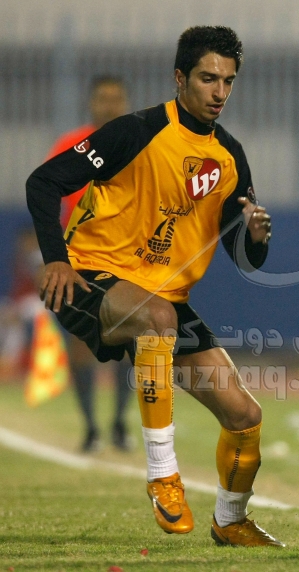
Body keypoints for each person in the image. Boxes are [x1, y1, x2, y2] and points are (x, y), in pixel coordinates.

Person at [26, 25, 282, 547]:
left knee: (245, 416)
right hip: (90, 277)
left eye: (228, 81)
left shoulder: (229, 156)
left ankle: (231, 520)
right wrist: (55, 261)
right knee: (157, 319)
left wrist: (255, 238)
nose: (219, 91)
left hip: (162, 297)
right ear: (179, 78)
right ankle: (163, 475)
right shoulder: (134, 131)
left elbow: (243, 257)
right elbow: (43, 182)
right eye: (208, 78)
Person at [46, 76, 132, 452]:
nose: (110, 105)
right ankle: (91, 428)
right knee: (81, 341)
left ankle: (120, 424)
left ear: (125, 104)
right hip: (78, 259)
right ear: (91, 103)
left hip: (127, 259)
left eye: (116, 99)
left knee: (129, 339)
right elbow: (49, 199)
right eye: (103, 98)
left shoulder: (140, 146)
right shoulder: (69, 146)